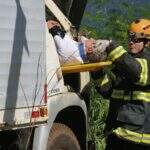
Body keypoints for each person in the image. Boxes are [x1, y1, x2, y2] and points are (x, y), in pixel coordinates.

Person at [91, 19, 150, 150]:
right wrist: (96, 70)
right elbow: (109, 92)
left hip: (138, 138)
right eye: (130, 38)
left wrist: (111, 46)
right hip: (117, 134)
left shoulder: (144, 62)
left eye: (136, 40)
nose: (131, 42)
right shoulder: (126, 62)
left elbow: (136, 71)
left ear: (147, 42)